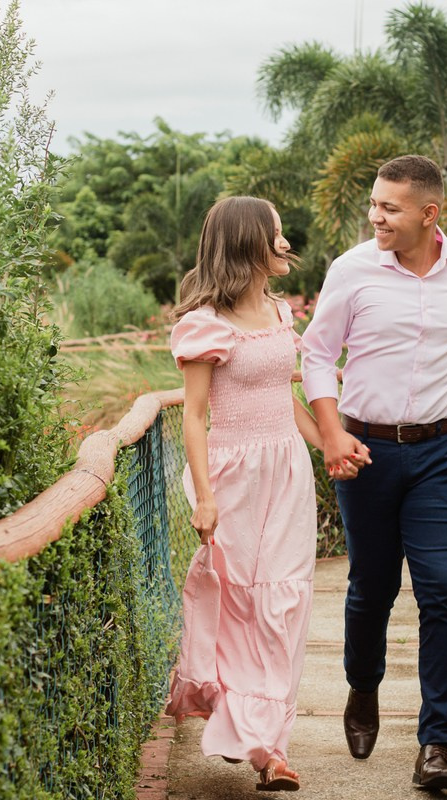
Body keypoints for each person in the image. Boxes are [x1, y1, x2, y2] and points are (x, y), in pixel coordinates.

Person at [300, 155, 447, 791]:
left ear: (428, 213)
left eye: (389, 207)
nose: (375, 216)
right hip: (366, 451)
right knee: (372, 586)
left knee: (442, 589)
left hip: (444, 452)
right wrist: (332, 433)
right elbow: (316, 354)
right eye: (373, 203)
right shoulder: (352, 270)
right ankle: (363, 687)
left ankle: (437, 743)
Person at [165, 196, 369, 792]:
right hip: (231, 476)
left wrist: (330, 443)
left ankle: (269, 744)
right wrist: (205, 498)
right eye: (274, 234)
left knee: (284, 604)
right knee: (240, 604)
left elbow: (285, 398)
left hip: (286, 472)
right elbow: (194, 417)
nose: (285, 243)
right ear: (246, 242)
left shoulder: (281, 313)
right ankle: (253, 737)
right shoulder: (205, 323)